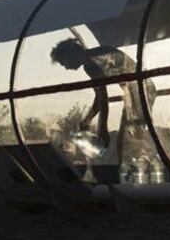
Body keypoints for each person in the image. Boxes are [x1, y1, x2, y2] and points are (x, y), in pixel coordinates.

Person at [49, 37, 155, 167]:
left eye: (63, 62)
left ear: (70, 54)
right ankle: (133, 170)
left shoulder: (92, 62)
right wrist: (88, 119)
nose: (65, 67)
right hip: (139, 89)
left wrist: (103, 128)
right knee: (128, 139)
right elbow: (99, 96)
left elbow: (103, 97)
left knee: (129, 140)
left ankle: (137, 172)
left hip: (140, 90)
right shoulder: (93, 58)